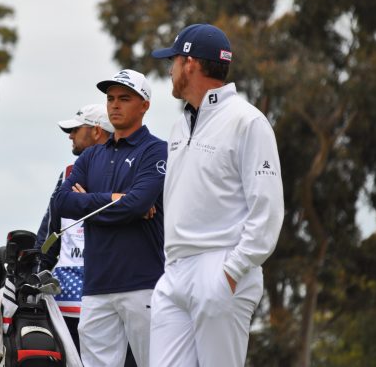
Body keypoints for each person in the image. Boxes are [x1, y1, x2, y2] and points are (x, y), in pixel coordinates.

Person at [149, 23, 284, 367]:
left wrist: (233, 270)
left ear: (190, 63)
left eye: (174, 61)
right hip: (175, 270)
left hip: (221, 268)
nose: (170, 69)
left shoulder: (247, 121)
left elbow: (267, 208)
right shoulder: (180, 124)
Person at [50, 69, 167, 367]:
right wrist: (114, 200)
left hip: (144, 282)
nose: (114, 105)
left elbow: (138, 202)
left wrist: (88, 203)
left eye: (124, 98)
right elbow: (63, 203)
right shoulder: (90, 156)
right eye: (111, 98)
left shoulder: (157, 150)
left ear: (144, 105)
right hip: (97, 286)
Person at [34, 104, 114, 352]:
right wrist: (35, 274)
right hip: (66, 304)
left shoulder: (127, 172)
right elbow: (48, 237)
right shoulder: (68, 174)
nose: (70, 136)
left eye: (76, 130)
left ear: (97, 132)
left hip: (113, 297)